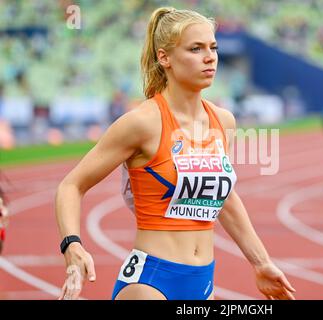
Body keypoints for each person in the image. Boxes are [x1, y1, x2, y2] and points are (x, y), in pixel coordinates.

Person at [55, 7, 295, 300]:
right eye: (196, 49)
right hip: (150, 282)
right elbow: (71, 185)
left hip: (203, 281)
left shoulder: (224, 121)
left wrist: (261, 262)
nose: (210, 57)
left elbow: (225, 198)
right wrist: (72, 244)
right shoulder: (143, 122)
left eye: (213, 47)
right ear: (164, 57)